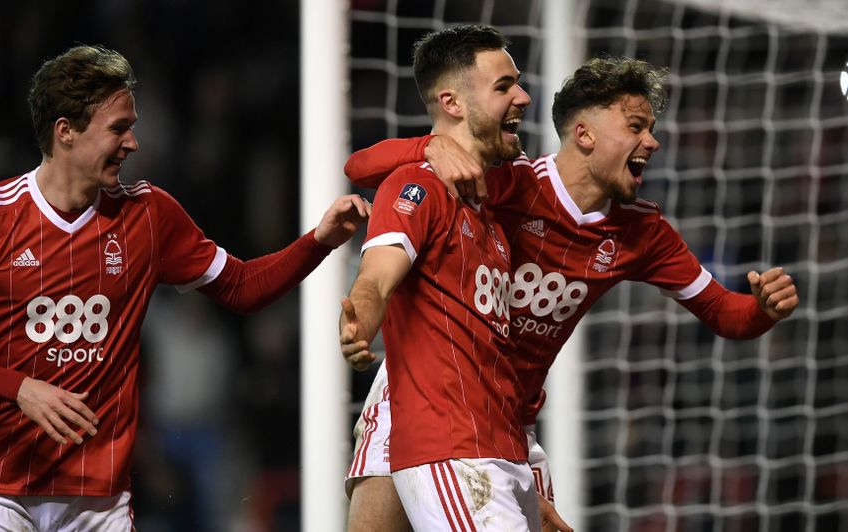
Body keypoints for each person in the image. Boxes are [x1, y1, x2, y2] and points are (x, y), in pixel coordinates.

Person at [0, 44, 370, 531]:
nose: (133, 143)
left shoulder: (149, 215)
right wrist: (20, 388)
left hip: (98, 497)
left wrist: (319, 241)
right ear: (65, 132)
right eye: (118, 129)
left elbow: (242, 288)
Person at [342, 56, 799, 531]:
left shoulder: (642, 231)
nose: (653, 141)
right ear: (585, 135)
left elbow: (726, 313)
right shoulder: (509, 184)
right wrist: (432, 147)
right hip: (427, 390)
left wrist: (764, 309)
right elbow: (361, 165)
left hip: (510, 421)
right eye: (637, 126)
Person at [338, 24, 545, 531]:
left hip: (498, 424)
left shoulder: (506, 189)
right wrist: (360, 320)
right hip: (438, 415)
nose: (524, 95)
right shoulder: (420, 186)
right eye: (504, 86)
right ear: (452, 101)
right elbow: (376, 276)